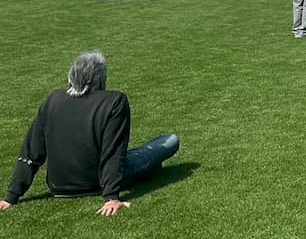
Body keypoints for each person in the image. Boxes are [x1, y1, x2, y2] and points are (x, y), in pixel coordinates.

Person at [0, 51, 179, 215]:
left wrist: (11, 196)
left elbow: (31, 150)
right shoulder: (114, 101)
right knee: (169, 141)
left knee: (148, 161)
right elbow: (113, 152)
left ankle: (152, 168)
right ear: (101, 78)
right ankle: (150, 167)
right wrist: (112, 197)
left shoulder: (53, 99)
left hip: (59, 187)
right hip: (98, 183)